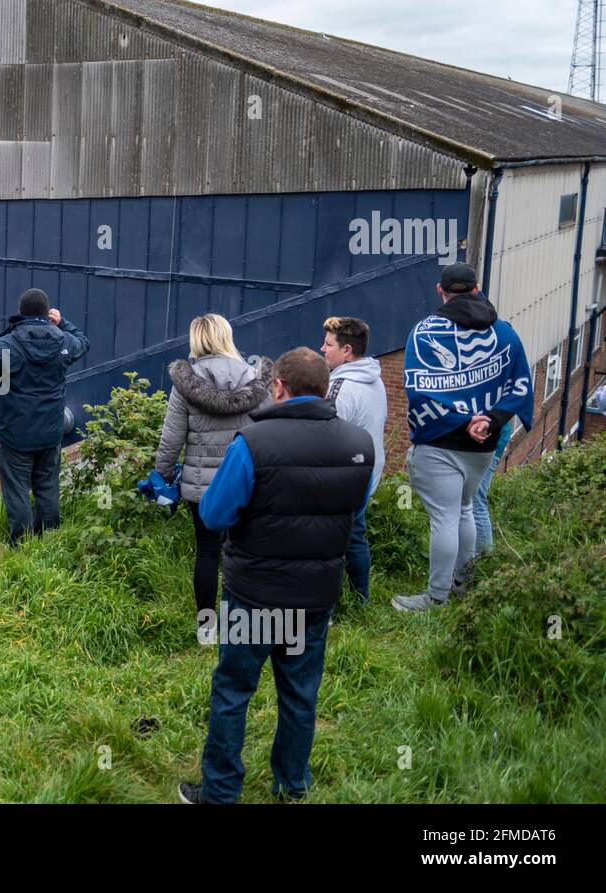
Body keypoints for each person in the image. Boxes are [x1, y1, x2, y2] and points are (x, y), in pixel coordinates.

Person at [178, 347, 374, 805]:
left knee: (233, 690)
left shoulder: (254, 444)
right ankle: (292, 785)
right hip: (315, 596)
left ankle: (221, 791)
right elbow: (354, 511)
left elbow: (214, 512)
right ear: (326, 389)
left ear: (279, 387)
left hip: (254, 597)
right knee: (301, 694)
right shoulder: (359, 446)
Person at [393, 262, 533, 612]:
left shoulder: (424, 333)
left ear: (441, 291)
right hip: (483, 444)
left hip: (441, 442)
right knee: (465, 510)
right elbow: (519, 384)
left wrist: (462, 421)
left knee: (444, 519)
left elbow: (419, 390)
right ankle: (463, 585)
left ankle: (436, 598)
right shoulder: (505, 333)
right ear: (477, 288)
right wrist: (489, 421)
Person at [155, 314, 270, 623]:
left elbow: (171, 438)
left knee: (207, 553)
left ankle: (206, 628)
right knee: (243, 554)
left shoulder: (185, 382)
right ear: (226, 337)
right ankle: (242, 623)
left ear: (197, 340)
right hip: (246, 485)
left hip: (201, 487)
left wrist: (162, 478)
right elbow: (269, 433)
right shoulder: (254, 379)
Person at [0, 288, 90, 546]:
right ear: (48, 314)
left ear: (20, 313)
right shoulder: (62, 341)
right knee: (47, 488)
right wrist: (63, 323)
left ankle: (22, 546)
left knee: (17, 492)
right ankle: (49, 541)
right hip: (50, 433)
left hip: (15, 435)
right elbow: (82, 341)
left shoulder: (6, 345)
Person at [319, 316, 387, 602]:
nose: (322, 349)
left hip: (346, 474)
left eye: (328, 344)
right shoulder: (374, 377)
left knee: (331, 540)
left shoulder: (342, 387)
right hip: (368, 469)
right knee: (354, 534)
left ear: (346, 350)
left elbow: (328, 435)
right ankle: (362, 597)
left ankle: (329, 604)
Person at [471, 418, 513, 557]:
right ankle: (475, 554)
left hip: (489, 440)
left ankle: (483, 557)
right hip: (488, 438)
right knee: (472, 500)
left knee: (477, 499)